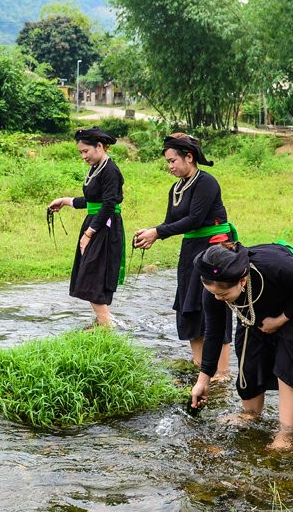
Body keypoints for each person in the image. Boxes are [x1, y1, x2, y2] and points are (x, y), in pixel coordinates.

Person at [189, 242, 293, 450]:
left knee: (288, 364)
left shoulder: (275, 266)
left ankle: (286, 433)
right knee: (249, 359)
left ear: (242, 281)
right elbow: (214, 333)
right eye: (213, 293)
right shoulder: (214, 289)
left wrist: (280, 319)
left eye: (223, 295)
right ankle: (251, 414)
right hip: (254, 310)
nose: (218, 299)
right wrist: (203, 380)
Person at [133, 133, 234, 375]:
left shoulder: (206, 182)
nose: (169, 167)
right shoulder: (176, 187)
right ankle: (201, 366)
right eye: (167, 162)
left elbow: (195, 219)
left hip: (214, 251)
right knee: (190, 306)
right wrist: (151, 233)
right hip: (191, 251)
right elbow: (172, 222)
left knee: (214, 304)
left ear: (189, 157)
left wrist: (158, 232)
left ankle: (221, 373)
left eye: (172, 161)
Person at [46, 127, 125, 327]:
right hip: (95, 222)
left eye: (85, 151)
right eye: (80, 152)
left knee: (93, 274)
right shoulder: (96, 168)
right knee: (90, 272)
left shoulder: (110, 170)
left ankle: (106, 327)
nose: (83, 156)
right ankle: (103, 323)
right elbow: (92, 200)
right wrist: (65, 201)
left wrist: (89, 233)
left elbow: (108, 205)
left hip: (104, 227)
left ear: (99, 146)